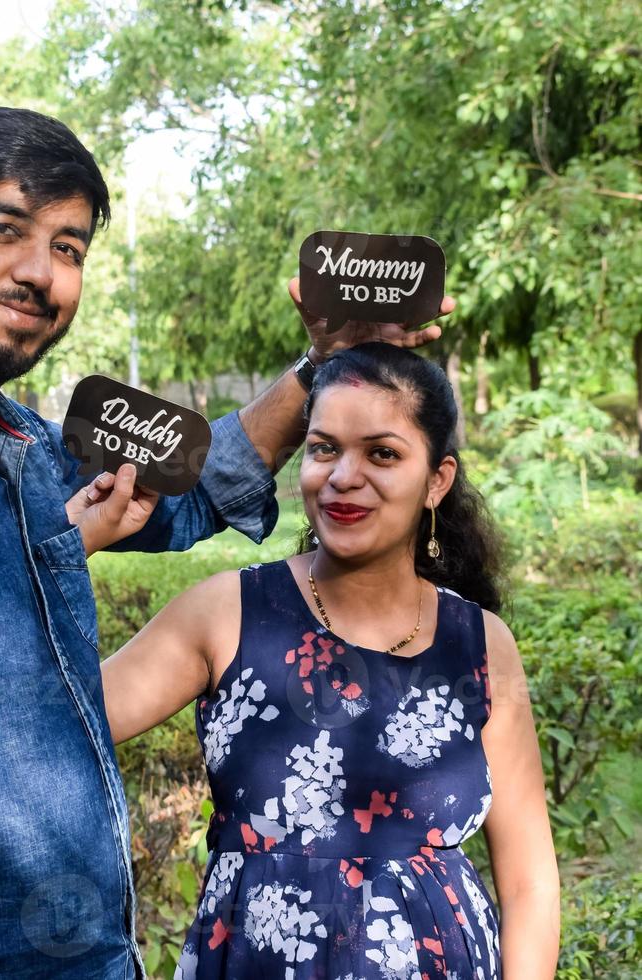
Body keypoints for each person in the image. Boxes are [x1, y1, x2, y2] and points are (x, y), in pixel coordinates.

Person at [0, 105, 452, 979]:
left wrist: (325, 364)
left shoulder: (15, 440)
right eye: (4, 230)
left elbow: (182, 496)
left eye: (67, 248)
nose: (38, 273)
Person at [94, 343, 560, 978]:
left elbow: (530, 877)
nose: (344, 475)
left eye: (383, 453)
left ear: (437, 480)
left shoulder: (479, 643)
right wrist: (71, 543)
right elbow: (55, 720)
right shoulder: (227, 613)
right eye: (324, 448)